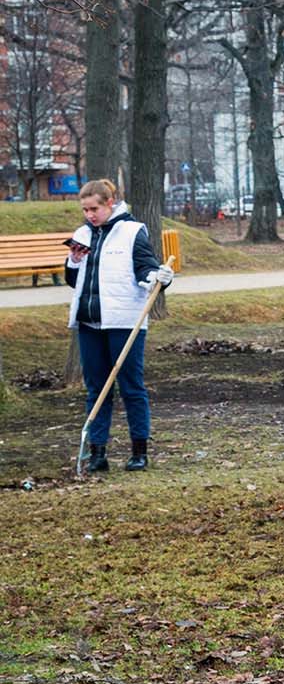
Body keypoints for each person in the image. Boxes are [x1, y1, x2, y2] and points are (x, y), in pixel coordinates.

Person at [65, 178, 173, 472]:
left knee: (131, 386)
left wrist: (158, 278)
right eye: (85, 210)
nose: (89, 215)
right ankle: (97, 452)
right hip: (89, 323)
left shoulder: (132, 231)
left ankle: (139, 450)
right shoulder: (82, 234)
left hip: (124, 321)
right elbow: (74, 281)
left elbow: (146, 270)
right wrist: (73, 262)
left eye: (94, 208)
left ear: (109, 204)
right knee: (96, 388)